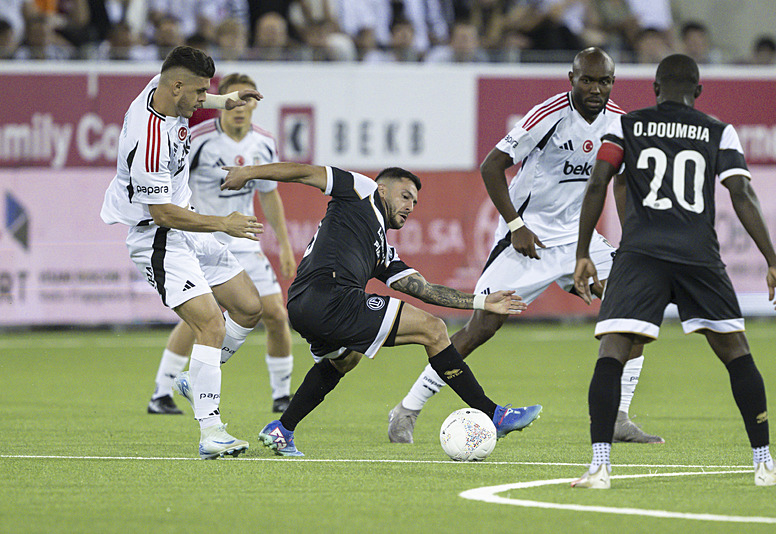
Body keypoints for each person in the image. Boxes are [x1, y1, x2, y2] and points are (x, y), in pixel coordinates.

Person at [388, 47, 662, 445]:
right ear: (571, 78)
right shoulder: (548, 115)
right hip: (527, 238)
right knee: (482, 326)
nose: (595, 88)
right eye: (587, 79)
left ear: (612, 83)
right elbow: (491, 165)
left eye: (603, 81)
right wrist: (516, 224)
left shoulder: (619, 123)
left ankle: (618, 417)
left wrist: (631, 236)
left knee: (635, 305)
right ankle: (407, 409)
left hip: (576, 239)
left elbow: (619, 181)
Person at [571, 54, 776, 489]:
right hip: (698, 255)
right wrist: (772, 260)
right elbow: (741, 192)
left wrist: (582, 253)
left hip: (641, 253)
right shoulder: (717, 130)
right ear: (698, 91)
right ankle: (764, 464)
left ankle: (599, 468)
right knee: (737, 354)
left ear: (654, 88)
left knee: (612, 352)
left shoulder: (625, 125)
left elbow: (599, 183)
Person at [220, 162, 543, 457]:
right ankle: (494, 414)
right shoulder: (362, 190)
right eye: (405, 196)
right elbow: (306, 173)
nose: (409, 207)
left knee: (346, 359)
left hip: (304, 305)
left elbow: (425, 289)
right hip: (329, 296)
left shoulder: (382, 249)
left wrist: (482, 301)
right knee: (434, 330)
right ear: (383, 189)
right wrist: (250, 172)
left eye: (414, 203)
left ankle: (283, 429)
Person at [100, 46, 265, 460]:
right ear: (176, 88)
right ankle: (212, 431)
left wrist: (224, 100)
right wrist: (223, 223)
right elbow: (161, 213)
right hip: (157, 234)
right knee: (209, 324)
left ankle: (197, 377)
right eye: (198, 93)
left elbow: (186, 89)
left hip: (185, 220)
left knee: (248, 306)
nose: (200, 101)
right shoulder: (148, 138)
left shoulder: (163, 91)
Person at [146, 72, 297, 417]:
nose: (240, 109)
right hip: (202, 238)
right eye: (234, 101)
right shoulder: (197, 139)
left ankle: (281, 395)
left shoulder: (264, 143)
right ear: (220, 104)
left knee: (275, 314)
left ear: (255, 106)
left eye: (248, 102)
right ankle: (161, 392)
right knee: (200, 318)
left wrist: (285, 244)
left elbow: (269, 195)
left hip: (243, 238)